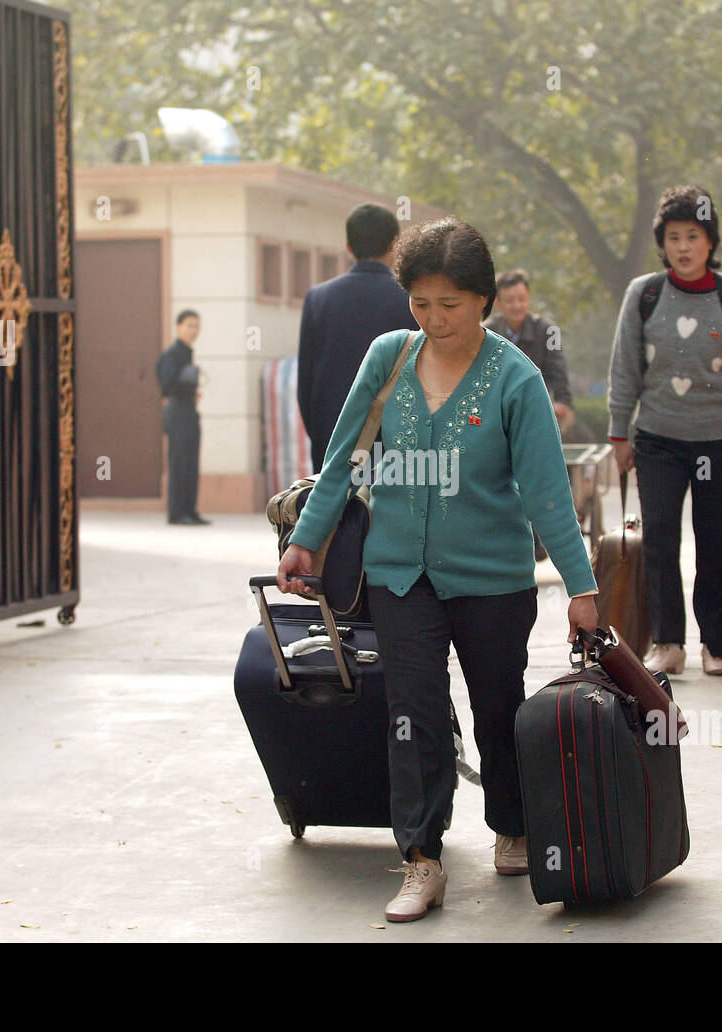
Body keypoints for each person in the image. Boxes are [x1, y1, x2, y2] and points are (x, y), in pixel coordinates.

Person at [277, 217, 598, 923]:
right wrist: (306, 538)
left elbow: (547, 493)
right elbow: (344, 460)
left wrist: (582, 588)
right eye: (421, 303)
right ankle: (421, 859)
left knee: (496, 707)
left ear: (482, 298)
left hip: (493, 580)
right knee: (412, 715)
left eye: (449, 303)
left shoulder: (515, 378)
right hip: (399, 576)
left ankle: (511, 823)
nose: (434, 318)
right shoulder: (389, 357)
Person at [607, 184, 722, 678]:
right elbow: (625, 368)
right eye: (674, 237)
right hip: (658, 440)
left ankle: (717, 646)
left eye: (694, 236)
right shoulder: (643, 295)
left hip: (721, 442)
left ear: (711, 242)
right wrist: (620, 433)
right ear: (663, 242)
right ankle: (668, 642)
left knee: (719, 544)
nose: (683, 247)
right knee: (660, 540)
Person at [297, 203, 416, 472]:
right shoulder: (410, 300)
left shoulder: (319, 299)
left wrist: (322, 434)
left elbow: (305, 383)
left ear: (349, 247)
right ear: (395, 245)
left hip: (332, 439)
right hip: (393, 446)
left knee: (334, 512)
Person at [485, 269, 575, 433]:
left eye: (522, 299)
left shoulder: (549, 330)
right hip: (496, 413)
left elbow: (558, 372)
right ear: (497, 303)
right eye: (510, 300)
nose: (517, 306)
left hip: (536, 409)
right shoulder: (486, 333)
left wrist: (563, 402)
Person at [156, 310, 208, 525]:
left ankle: (190, 510)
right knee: (179, 462)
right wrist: (187, 381)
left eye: (196, 326)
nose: (193, 330)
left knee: (191, 462)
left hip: (189, 410)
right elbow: (166, 384)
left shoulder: (187, 352)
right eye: (189, 325)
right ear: (178, 327)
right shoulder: (172, 354)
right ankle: (177, 513)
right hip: (177, 411)